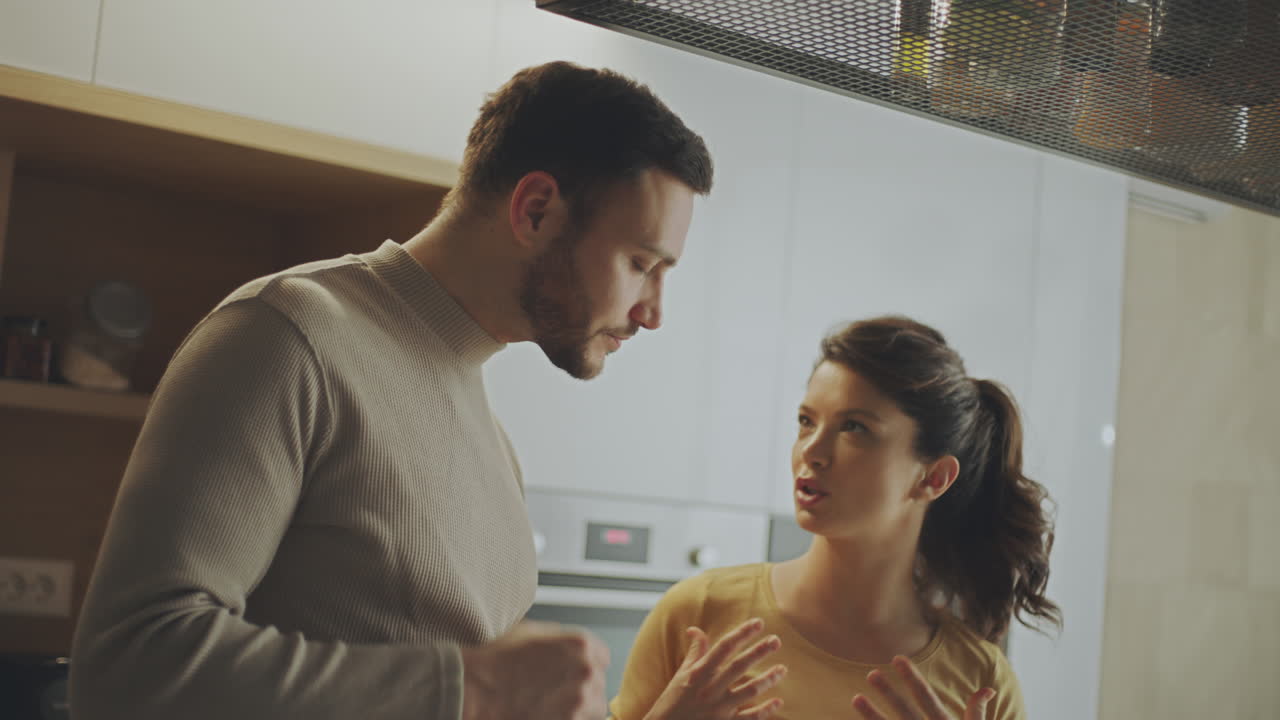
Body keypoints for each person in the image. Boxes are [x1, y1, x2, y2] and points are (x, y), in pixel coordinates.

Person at [69, 61, 713, 720]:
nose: (652, 311)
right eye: (640, 264)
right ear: (536, 210)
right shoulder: (289, 335)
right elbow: (127, 667)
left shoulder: (496, 443)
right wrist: (472, 687)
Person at [608, 315, 1062, 720]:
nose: (811, 451)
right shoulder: (699, 614)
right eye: (807, 422)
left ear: (934, 477)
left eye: (854, 428)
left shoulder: (981, 682)